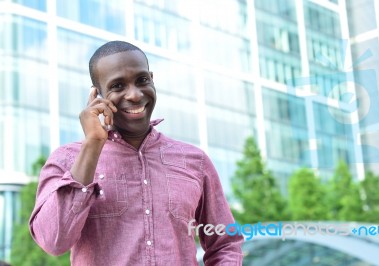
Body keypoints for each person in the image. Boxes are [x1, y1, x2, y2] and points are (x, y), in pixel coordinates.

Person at [29, 40, 243, 265]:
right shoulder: (67, 161)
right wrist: (93, 144)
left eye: (142, 80)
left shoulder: (195, 161)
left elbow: (225, 242)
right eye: (118, 86)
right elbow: (52, 241)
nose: (134, 94)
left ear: (152, 79)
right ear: (97, 95)